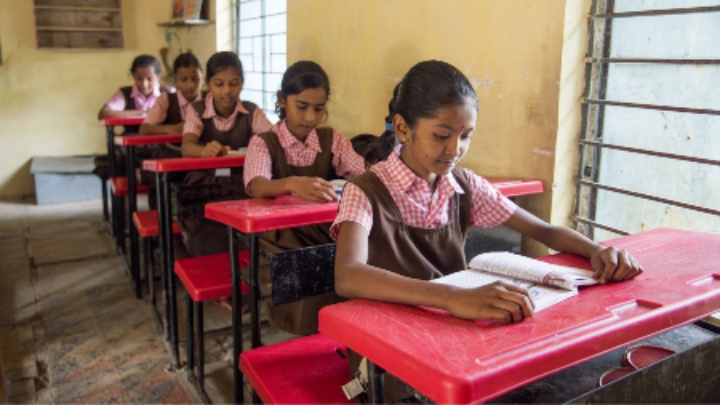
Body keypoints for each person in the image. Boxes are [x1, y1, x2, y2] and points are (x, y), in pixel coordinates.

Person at [331, 60, 643, 402]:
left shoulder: (463, 185)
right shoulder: (366, 191)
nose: (455, 150)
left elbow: (543, 230)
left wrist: (596, 251)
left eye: (466, 136)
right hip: (386, 351)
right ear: (403, 129)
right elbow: (348, 275)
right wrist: (453, 297)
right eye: (441, 136)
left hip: (449, 336)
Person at [243, 60, 365, 335]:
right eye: (302, 106)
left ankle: (344, 340)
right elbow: (258, 185)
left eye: (319, 109)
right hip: (281, 237)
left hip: (323, 231)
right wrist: (292, 184)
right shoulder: (264, 142)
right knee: (309, 285)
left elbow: (363, 173)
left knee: (348, 273)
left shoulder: (331, 139)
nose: (311, 117)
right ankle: (311, 338)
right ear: (282, 101)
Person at [177, 51, 272, 258]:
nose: (227, 91)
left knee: (250, 233)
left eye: (234, 83)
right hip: (204, 185)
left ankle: (242, 276)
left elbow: (272, 140)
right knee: (207, 237)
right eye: (219, 84)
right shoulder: (197, 110)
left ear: (243, 83)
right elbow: (187, 146)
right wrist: (204, 150)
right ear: (209, 84)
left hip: (239, 183)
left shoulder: (251, 111)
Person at [138, 52, 204, 208]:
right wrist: (170, 129)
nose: (190, 85)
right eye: (184, 80)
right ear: (175, 80)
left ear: (203, 78)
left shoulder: (209, 100)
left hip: (199, 158)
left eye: (195, 79)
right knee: (164, 187)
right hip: (171, 155)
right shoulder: (166, 100)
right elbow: (144, 128)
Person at [95, 54, 172, 179]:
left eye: (149, 78)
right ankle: (129, 182)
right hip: (132, 147)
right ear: (133, 77)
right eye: (139, 79)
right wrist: (139, 113)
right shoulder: (125, 93)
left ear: (159, 77)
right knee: (120, 155)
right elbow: (103, 114)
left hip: (161, 143)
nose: (144, 84)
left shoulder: (169, 92)